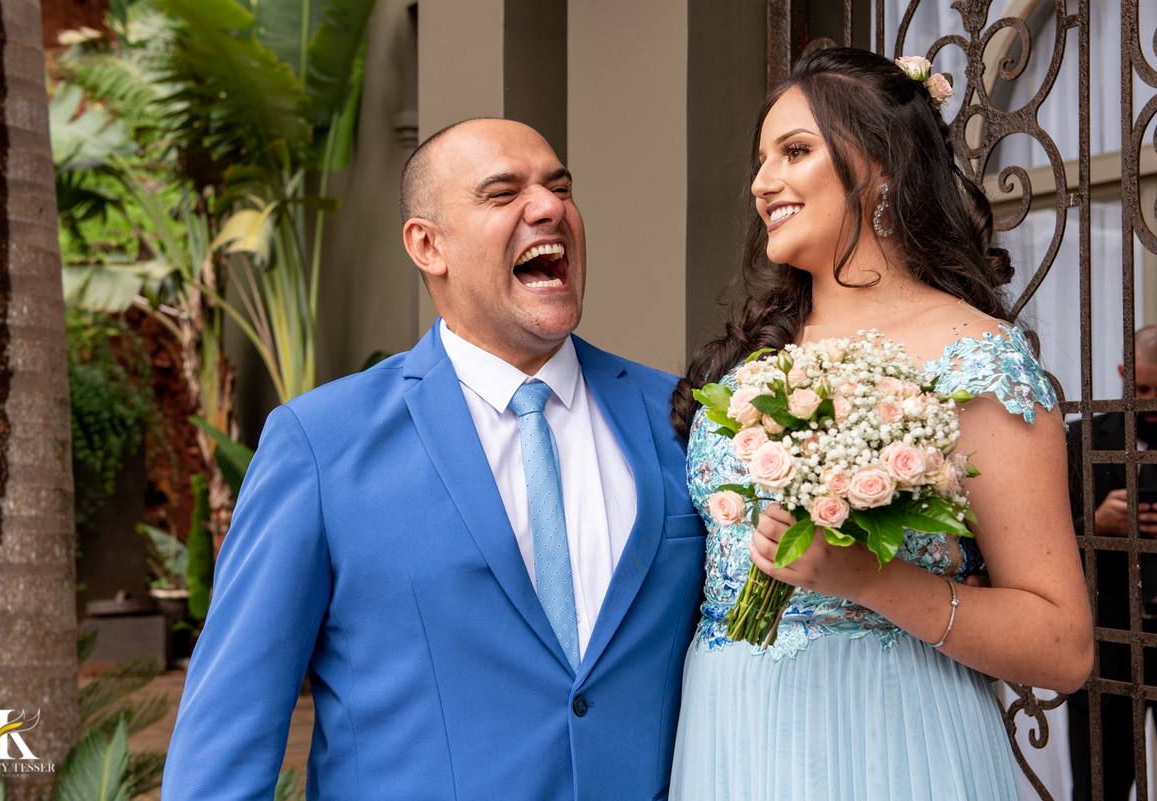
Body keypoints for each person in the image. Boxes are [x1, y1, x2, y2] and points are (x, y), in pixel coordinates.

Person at [161, 118, 707, 800]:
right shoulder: (319, 444)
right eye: (503, 192)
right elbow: (227, 737)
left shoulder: (682, 420)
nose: (549, 207)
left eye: (559, 186)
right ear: (428, 244)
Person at [666, 48, 1093, 800]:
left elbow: (1063, 644)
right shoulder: (752, 360)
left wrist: (871, 578)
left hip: (890, 735)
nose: (763, 183)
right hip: (731, 731)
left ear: (884, 162)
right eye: (760, 160)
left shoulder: (976, 361)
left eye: (794, 152)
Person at [1066, 327, 1157, 801]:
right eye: (1141, 390)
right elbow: (1036, 542)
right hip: (1106, 640)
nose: (1152, 402)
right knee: (1098, 787)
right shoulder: (1079, 439)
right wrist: (1093, 525)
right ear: (1122, 375)